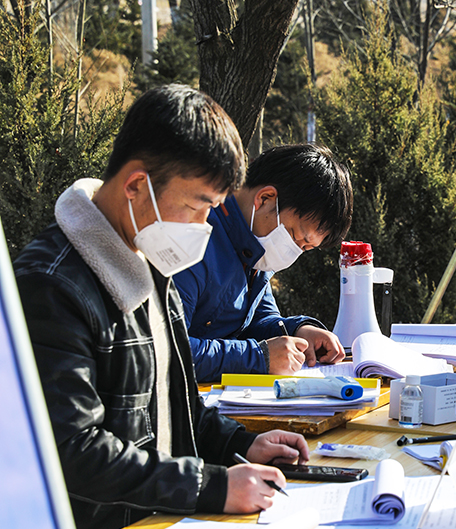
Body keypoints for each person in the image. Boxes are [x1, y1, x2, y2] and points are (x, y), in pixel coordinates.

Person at [13, 84, 310, 529]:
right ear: (136, 185)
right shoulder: (50, 286)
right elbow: (73, 450)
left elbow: (176, 402)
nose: (204, 226)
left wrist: (242, 444)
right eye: (198, 206)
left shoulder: (149, 259)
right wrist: (211, 486)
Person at [173, 144, 352, 382]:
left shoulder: (254, 243)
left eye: (306, 248)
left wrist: (298, 331)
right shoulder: (193, 241)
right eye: (295, 237)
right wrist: (259, 358)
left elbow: (257, 320)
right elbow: (170, 351)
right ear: (265, 198)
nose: (294, 252)